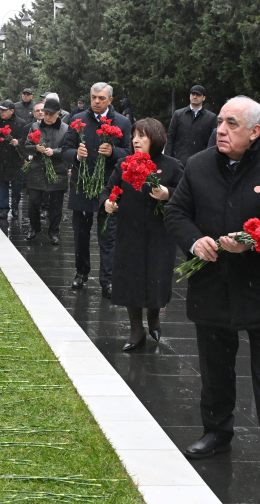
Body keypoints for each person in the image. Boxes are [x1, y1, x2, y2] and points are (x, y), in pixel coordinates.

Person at [165, 96, 260, 475]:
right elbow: (176, 213)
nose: (221, 130)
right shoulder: (197, 166)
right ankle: (216, 432)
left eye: (232, 124)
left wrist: (255, 240)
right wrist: (195, 241)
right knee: (215, 367)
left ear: (255, 132)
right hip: (213, 284)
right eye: (221, 123)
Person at [101, 118, 183, 351]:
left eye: (142, 136)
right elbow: (109, 190)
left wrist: (167, 193)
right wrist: (107, 202)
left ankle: (154, 317)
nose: (136, 140)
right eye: (134, 136)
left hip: (160, 234)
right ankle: (136, 328)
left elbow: (186, 195)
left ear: (155, 139)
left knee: (156, 277)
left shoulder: (172, 165)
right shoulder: (124, 164)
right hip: (130, 231)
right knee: (131, 279)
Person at [61, 82, 132, 298]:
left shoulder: (122, 122)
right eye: (93, 97)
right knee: (81, 234)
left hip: (109, 187)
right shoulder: (78, 119)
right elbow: (64, 151)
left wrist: (112, 152)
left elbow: (129, 153)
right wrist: (76, 154)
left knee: (108, 235)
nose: (96, 102)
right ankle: (81, 272)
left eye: (101, 98)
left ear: (110, 99)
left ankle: (107, 280)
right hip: (83, 185)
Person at [24, 98, 69, 242]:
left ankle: (54, 232)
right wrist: (36, 148)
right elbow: (26, 145)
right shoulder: (34, 126)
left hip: (57, 171)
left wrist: (54, 152)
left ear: (58, 114)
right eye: (45, 113)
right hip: (37, 170)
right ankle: (34, 227)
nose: (48, 117)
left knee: (56, 205)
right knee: (33, 202)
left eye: (51, 114)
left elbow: (68, 150)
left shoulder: (66, 129)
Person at [0, 100, 28, 219]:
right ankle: (4, 209)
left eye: (5, 110)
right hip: (0, 159)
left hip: (15, 160)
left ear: (12, 111)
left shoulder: (21, 123)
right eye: (1, 110)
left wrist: (18, 142)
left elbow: (25, 140)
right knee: (1, 184)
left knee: (17, 186)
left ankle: (15, 206)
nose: (2, 112)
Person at [164, 85, 216, 167]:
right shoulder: (178, 115)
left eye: (198, 95)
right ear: (190, 96)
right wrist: (167, 161)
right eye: (193, 94)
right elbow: (170, 138)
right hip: (179, 163)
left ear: (204, 98)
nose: (195, 96)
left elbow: (213, 143)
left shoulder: (211, 118)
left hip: (200, 164)